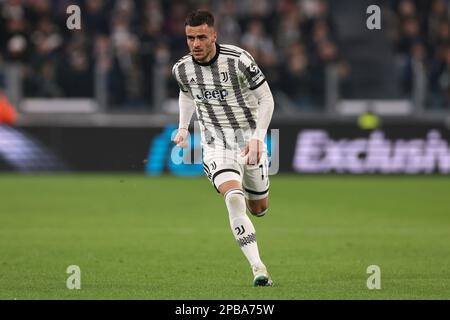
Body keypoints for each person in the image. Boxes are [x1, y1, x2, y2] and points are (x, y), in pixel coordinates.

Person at [171, 10, 275, 286]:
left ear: (214, 35)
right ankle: (258, 268)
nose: (196, 43)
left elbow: (266, 99)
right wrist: (183, 127)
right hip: (216, 144)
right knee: (233, 198)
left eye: (202, 37)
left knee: (259, 208)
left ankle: (256, 200)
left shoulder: (239, 60)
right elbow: (186, 93)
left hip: (249, 140)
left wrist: (258, 137)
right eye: (190, 38)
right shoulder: (182, 68)